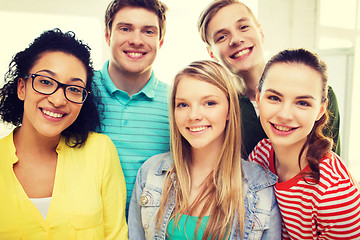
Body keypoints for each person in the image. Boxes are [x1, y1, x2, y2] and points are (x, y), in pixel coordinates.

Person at [128, 60, 281, 239]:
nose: (194, 116)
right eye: (183, 105)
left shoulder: (260, 186)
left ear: (230, 109)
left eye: (209, 103)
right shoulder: (151, 174)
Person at [0, 29, 128, 239]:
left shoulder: (100, 151)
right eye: (45, 82)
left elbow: (116, 234)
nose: (58, 100)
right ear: (21, 88)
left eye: (74, 89)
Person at [197, 0, 341, 158]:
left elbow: (334, 170)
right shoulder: (217, 107)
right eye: (222, 37)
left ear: (261, 33)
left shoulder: (317, 95)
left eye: (244, 27)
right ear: (211, 53)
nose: (236, 40)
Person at [249, 48, 360, 239]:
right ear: (259, 98)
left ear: (320, 110)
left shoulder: (333, 192)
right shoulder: (260, 154)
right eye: (274, 98)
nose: (284, 114)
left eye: (302, 103)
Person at [93, 0, 170, 211]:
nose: (136, 40)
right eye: (125, 29)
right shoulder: (79, 91)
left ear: (160, 41)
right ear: (108, 35)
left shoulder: (177, 103)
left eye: (148, 31)